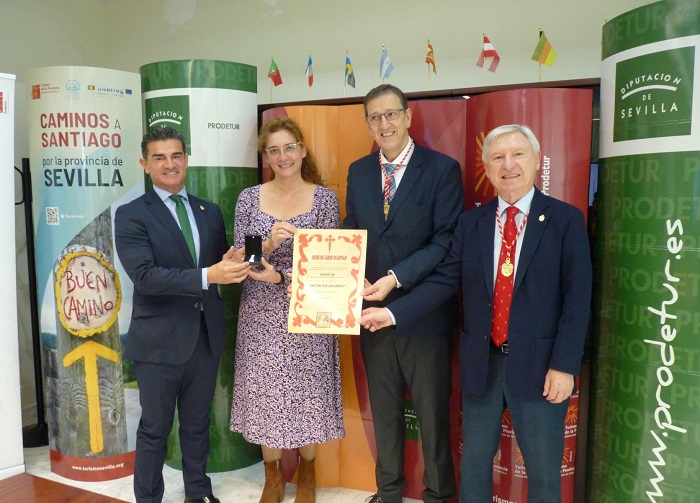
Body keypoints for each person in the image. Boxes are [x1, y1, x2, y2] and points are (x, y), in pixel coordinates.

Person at [360, 124, 593, 502]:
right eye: (497, 157)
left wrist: (564, 366)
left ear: (535, 161)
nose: (508, 165)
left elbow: (577, 299)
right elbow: (443, 281)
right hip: (481, 365)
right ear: (486, 168)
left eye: (518, 154)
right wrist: (391, 314)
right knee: (474, 468)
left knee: (545, 473)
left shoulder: (565, 220)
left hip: (542, 366)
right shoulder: (473, 222)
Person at [115, 126, 249, 503]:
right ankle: (148, 498)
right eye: (159, 158)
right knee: (155, 430)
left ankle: (198, 492)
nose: (169, 164)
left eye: (176, 155)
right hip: (159, 344)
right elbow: (145, 277)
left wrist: (230, 262)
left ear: (186, 159)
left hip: (204, 338)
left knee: (196, 425)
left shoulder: (208, 210)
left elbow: (217, 263)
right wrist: (210, 275)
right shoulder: (132, 215)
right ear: (145, 164)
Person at [343, 84, 463, 503]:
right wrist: (336, 266)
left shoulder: (442, 170)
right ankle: (388, 491)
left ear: (408, 117)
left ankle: (437, 495)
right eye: (374, 117)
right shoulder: (358, 171)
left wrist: (395, 277)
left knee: (432, 417)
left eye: (391, 114)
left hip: (424, 315)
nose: (384, 124)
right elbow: (352, 229)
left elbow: (444, 241)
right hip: (369, 315)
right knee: (385, 412)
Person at [230, 117, 345, 503]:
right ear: (266, 156)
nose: (283, 156)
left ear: (303, 149)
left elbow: (332, 264)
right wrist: (264, 246)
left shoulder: (325, 199)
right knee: (265, 395)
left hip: (309, 312)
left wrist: (281, 276)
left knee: (307, 393)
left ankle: (308, 471)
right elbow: (240, 260)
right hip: (260, 315)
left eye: (290, 147)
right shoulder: (249, 198)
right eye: (274, 150)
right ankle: (273, 476)